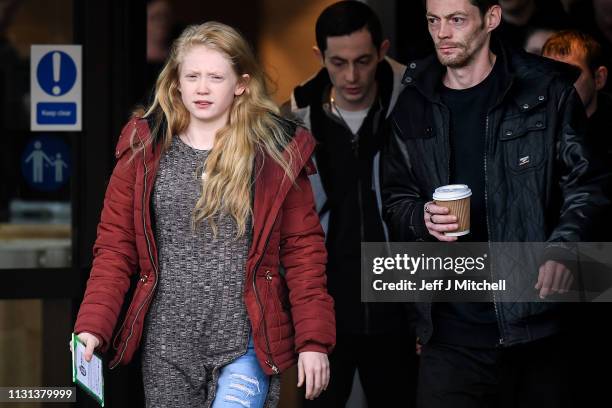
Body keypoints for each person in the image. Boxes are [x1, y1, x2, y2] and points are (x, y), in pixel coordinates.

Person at [72, 21, 336, 408]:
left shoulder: (275, 154)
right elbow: (114, 249)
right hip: (167, 345)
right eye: (192, 75)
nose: (202, 87)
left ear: (241, 84)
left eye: (216, 77)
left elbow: (303, 252)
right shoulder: (143, 150)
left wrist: (314, 341)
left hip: (245, 342)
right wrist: (92, 327)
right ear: (176, 81)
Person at [383, 0, 609, 407]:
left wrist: (563, 247)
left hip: (536, 327)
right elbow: (395, 199)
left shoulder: (546, 89)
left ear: (491, 19)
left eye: (456, 20)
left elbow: (586, 182)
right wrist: (422, 218)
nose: (442, 33)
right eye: (433, 21)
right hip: (449, 335)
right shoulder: (413, 102)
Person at [283, 2, 417, 407]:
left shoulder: (417, 102)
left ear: (383, 50)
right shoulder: (298, 115)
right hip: (328, 302)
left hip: (401, 297)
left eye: (363, 61)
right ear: (319, 57)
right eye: (338, 63)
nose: (352, 76)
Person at [542, 29, 612, 407]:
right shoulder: (536, 131)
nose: (560, 87)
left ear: (599, 78)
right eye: (551, 75)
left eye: (571, 75)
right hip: (552, 293)